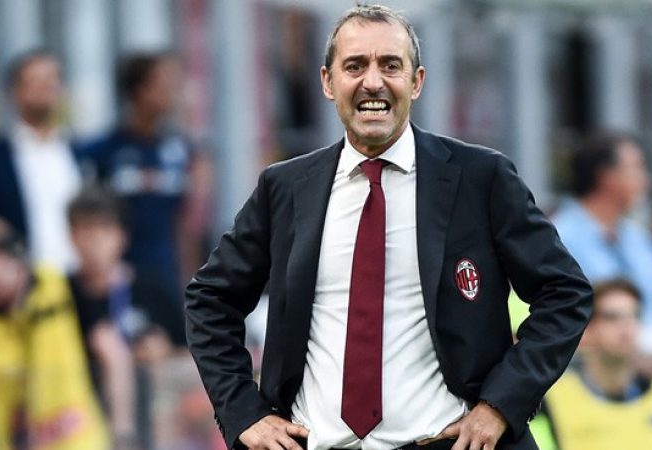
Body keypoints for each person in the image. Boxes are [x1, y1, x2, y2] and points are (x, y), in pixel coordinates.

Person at [184, 5, 592, 450]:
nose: (373, 82)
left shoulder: (481, 178)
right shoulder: (285, 187)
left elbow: (564, 293)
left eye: (391, 66)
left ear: (416, 82)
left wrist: (500, 405)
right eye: (355, 66)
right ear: (327, 82)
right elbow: (210, 300)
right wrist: (244, 413)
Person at [0, 215, 109, 449]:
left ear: (14, 254)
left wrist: (124, 431)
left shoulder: (58, 285)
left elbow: (111, 351)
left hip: (76, 438)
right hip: (7, 439)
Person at [79, 51, 212, 302]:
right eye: (163, 86)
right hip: (118, 280)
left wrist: (195, 279)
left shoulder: (181, 150)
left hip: (167, 277)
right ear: (139, 91)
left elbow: (186, 223)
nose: (171, 94)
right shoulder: (101, 152)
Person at [66, 187, 189, 449]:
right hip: (80, 419)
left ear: (122, 236)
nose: (94, 241)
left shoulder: (152, 288)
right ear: (71, 236)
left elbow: (190, 352)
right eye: (85, 230)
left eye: (103, 230)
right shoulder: (61, 294)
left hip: (155, 415)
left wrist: (164, 350)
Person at [553, 132, 652, 358]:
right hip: (591, 370)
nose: (646, 179)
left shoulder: (640, 238)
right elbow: (553, 324)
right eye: (637, 168)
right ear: (605, 176)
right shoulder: (559, 237)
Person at [529, 279, 652, 450]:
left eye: (635, 315)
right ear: (586, 329)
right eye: (612, 317)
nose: (626, 327)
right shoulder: (552, 399)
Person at [0, 50, 81, 272]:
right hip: (21, 280)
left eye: (51, 80)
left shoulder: (81, 152)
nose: (45, 89)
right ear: (13, 92)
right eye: (34, 81)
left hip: (78, 277)